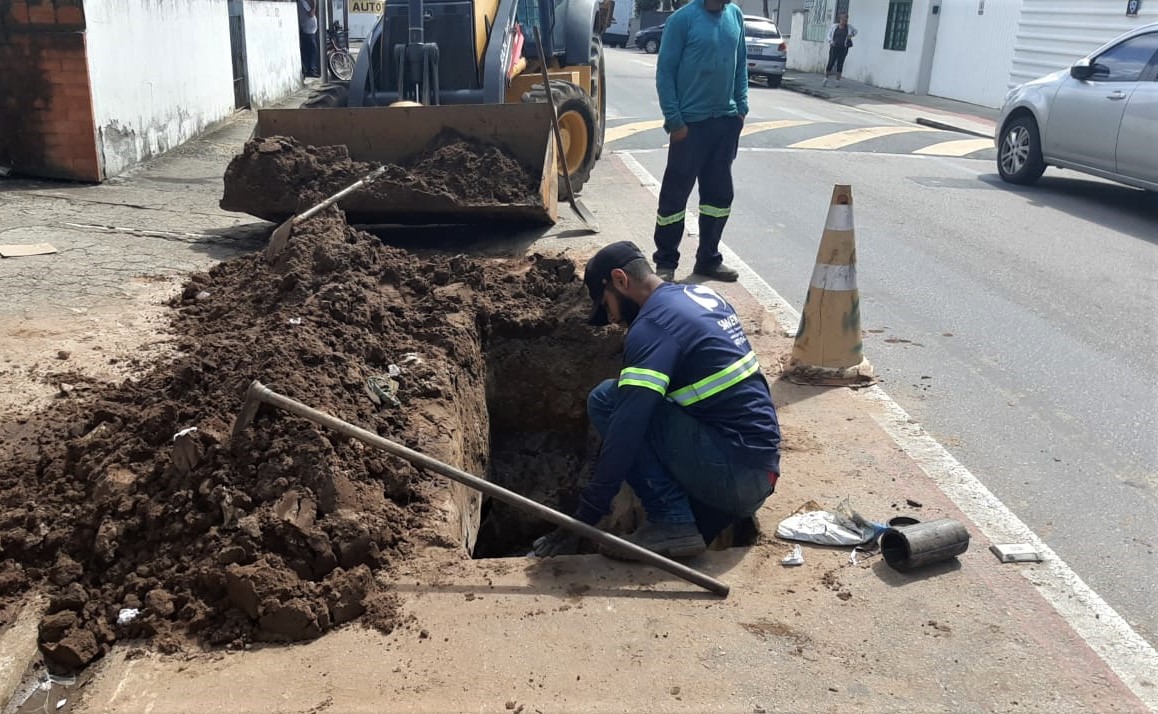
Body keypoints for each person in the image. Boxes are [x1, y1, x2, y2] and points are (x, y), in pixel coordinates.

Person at [532, 242, 782, 559]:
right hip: (760, 470)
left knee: (607, 398)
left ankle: (671, 520)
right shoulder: (697, 299)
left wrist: (583, 519)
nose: (612, 319)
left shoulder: (653, 326)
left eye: (606, 304)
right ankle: (696, 520)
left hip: (736, 473)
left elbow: (626, 431)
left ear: (620, 280)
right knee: (656, 400)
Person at [650, 0, 748, 284]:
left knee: (719, 196)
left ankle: (708, 259)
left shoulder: (735, 16)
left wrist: (741, 108)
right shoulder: (683, 20)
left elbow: (740, 65)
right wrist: (675, 120)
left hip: (725, 122)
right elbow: (665, 72)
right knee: (675, 195)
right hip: (690, 126)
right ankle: (666, 262)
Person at [823, 13, 857, 87]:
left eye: (846, 20)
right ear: (840, 19)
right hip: (834, 47)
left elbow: (855, 31)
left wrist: (851, 35)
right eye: (843, 20)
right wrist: (830, 41)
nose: (845, 21)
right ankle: (826, 79)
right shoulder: (834, 26)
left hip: (844, 48)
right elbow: (828, 35)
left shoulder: (849, 27)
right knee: (831, 62)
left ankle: (837, 81)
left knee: (840, 63)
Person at [298, 0, 320, 78]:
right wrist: (313, 7)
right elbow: (310, 13)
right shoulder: (302, 3)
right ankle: (310, 70)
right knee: (311, 51)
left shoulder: (303, 3)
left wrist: (313, 8)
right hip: (307, 32)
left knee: (311, 51)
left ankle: (310, 70)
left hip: (310, 32)